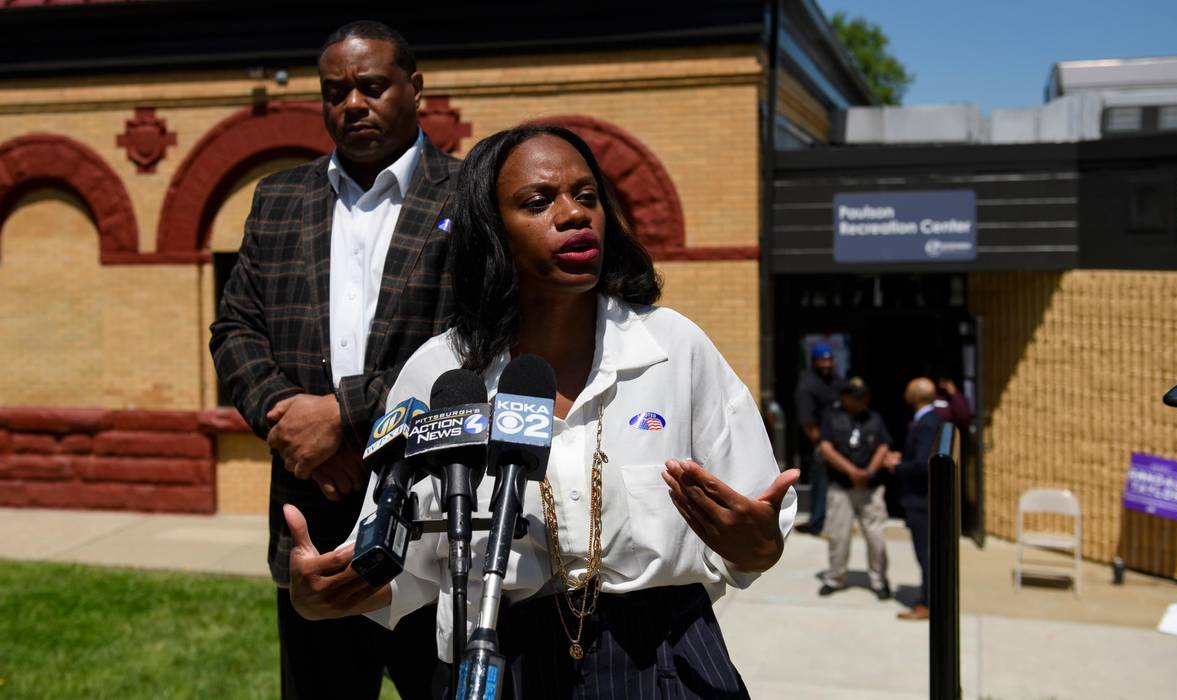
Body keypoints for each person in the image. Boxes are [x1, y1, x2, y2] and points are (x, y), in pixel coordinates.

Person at [282, 124, 798, 698]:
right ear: (490, 232)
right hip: (503, 662)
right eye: (538, 201)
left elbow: (758, 528)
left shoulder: (674, 347)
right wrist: (322, 594)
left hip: (668, 659)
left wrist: (759, 542)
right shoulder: (438, 374)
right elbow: (403, 566)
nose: (574, 214)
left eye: (587, 196)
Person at [209, 20, 456, 699]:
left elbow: (474, 344)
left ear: (415, 88)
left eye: (371, 86)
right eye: (334, 91)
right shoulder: (278, 199)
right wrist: (296, 430)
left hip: (435, 518)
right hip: (311, 521)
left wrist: (340, 416)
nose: (352, 104)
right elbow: (234, 328)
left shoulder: (470, 200)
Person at [816, 377, 892, 600]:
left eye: (864, 397)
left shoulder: (874, 419)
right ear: (846, 398)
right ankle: (835, 578)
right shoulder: (833, 418)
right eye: (856, 397)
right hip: (842, 487)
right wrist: (851, 471)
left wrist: (868, 471)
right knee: (839, 536)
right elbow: (826, 448)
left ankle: (879, 580)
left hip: (870, 489)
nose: (862, 401)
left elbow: (883, 446)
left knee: (876, 536)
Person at [881, 377, 946, 621]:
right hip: (921, 499)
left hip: (921, 500)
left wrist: (896, 467)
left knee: (926, 554)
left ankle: (929, 604)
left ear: (916, 396)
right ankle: (929, 598)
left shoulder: (927, 423)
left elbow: (922, 465)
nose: (904, 394)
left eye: (908, 391)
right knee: (926, 553)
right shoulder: (929, 420)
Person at [793, 342, 847, 534]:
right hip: (819, 444)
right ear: (814, 362)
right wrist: (822, 445)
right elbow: (807, 423)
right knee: (821, 484)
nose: (826, 364)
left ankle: (836, 522)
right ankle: (818, 524)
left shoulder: (837, 381)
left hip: (840, 442)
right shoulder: (808, 385)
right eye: (822, 360)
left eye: (829, 360)